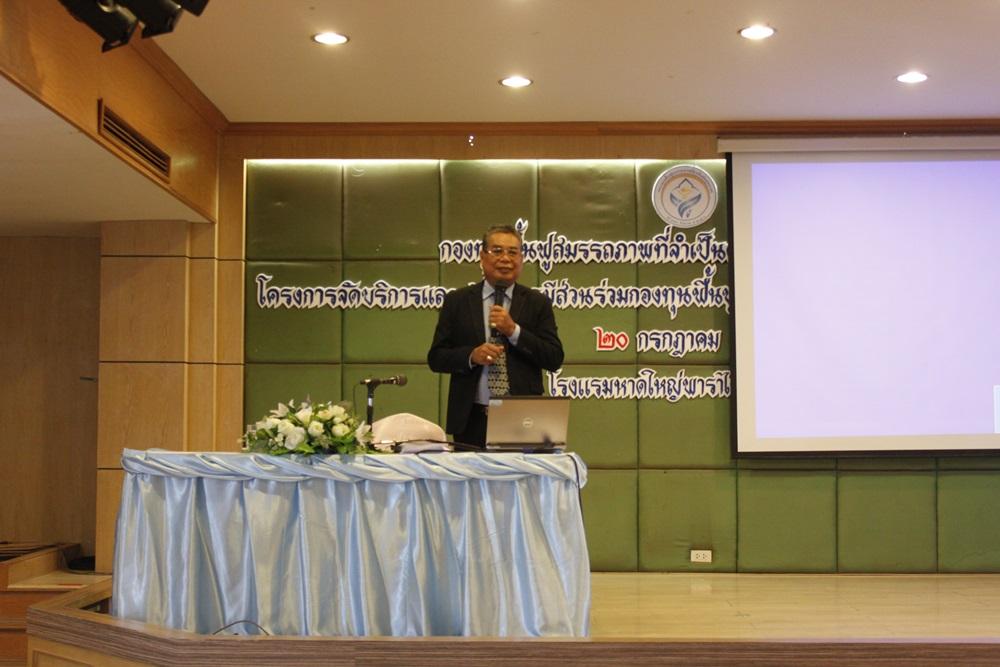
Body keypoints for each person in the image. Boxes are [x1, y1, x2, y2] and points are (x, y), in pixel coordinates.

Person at [427, 224, 564, 447]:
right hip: (472, 418)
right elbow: (436, 358)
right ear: (482, 257)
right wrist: (472, 356)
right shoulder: (457, 301)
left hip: (523, 417)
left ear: (521, 259)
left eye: (513, 252)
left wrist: (513, 331)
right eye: (497, 251)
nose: (505, 258)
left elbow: (554, 358)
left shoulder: (537, 303)